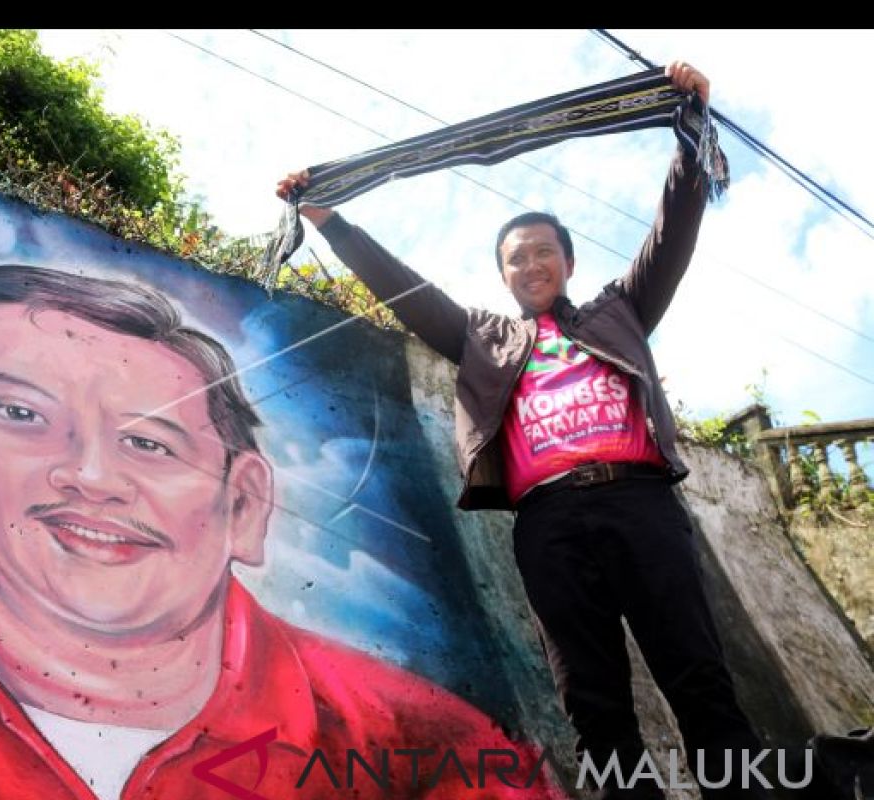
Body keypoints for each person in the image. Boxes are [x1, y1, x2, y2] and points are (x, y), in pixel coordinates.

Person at [0, 265, 563, 800]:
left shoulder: (428, 753)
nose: (90, 475)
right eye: (19, 413)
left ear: (245, 504)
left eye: (151, 442)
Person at [277, 61, 767, 799]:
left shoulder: (620, 311)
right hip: (550, 523)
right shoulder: (481, 338)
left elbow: (671, 234)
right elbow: (403, 288)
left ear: (567, 263)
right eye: (516, 258)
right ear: (503, 276)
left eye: (544, 251)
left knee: (699, 678)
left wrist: (690, 126)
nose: (531, 263)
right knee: (594, 702)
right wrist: (327, 218)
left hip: (642, 506)